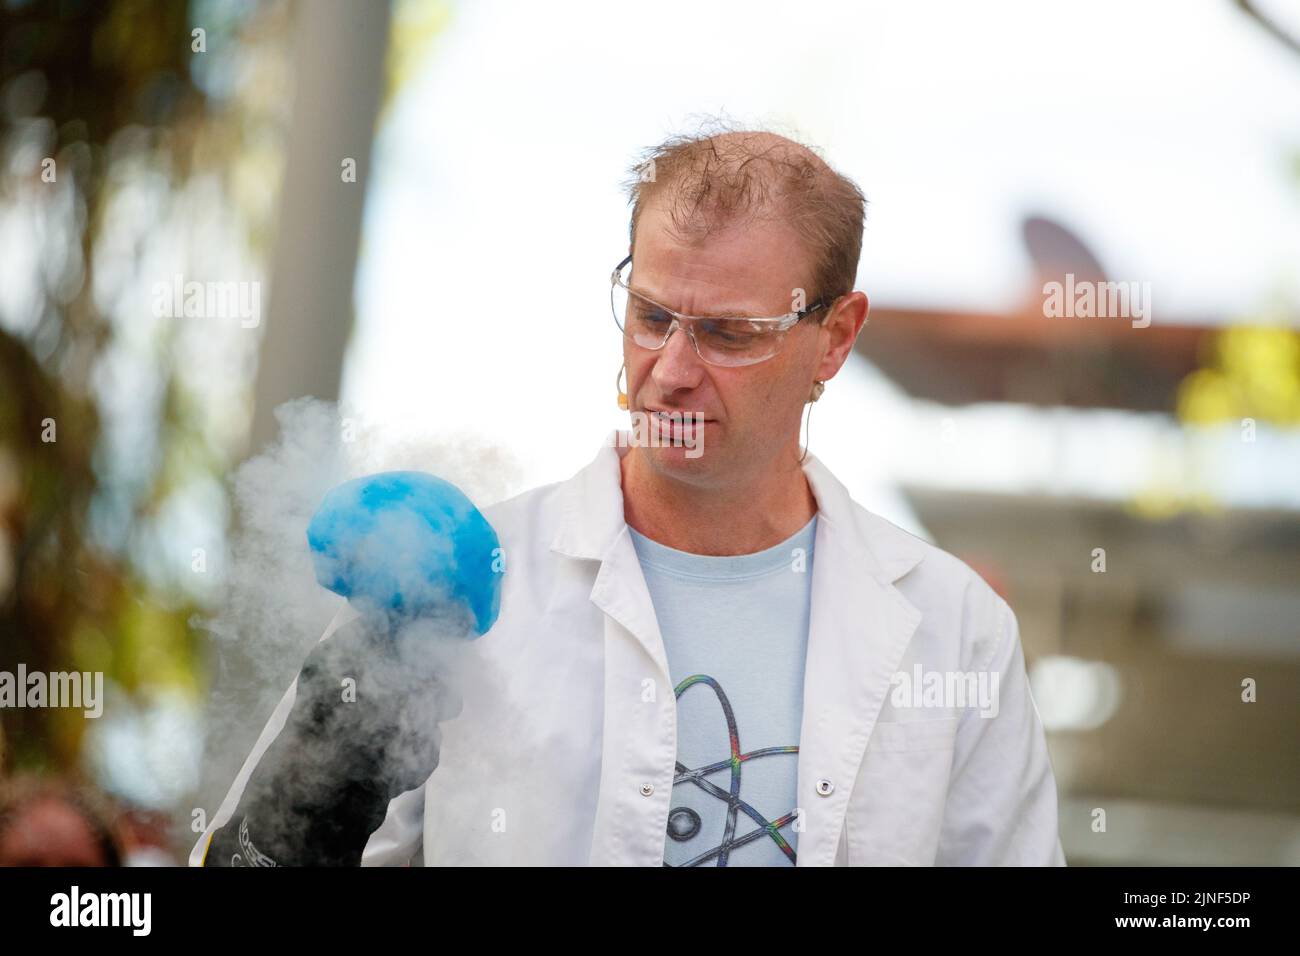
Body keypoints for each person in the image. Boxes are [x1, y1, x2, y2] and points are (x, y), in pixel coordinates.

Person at [194, 125, 1065, 867]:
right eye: (651, 317)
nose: (671, 373)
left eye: (730, 334)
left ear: (834, 338)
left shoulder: (955, 631)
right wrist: (300, 809)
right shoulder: (458, 592)